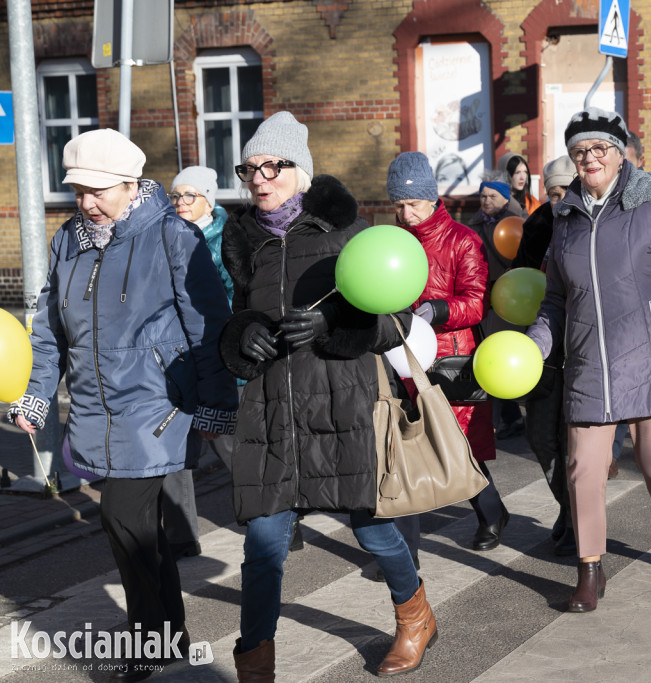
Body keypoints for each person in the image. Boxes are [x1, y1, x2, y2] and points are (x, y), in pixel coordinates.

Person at [9, 129, 238, 681]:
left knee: (122, 518)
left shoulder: (171, 235)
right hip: (95, 407)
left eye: (98, 190)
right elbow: (49, 332)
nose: (86, 202)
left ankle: (147, 642)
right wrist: (36, 396)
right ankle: (171, 636)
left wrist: (217, 401)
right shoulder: (68, 240)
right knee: (141, 531)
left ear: (130, 185)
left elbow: (208, 326)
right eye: (78, 191)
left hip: (158, 403)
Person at [217, 112, 436, 679]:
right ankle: (255, 663)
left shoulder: (349, 234)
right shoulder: (245, 244)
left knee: (373, 531)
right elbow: (237, 316)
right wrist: (244, 335)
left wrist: (331, 325)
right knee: (262, 548)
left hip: (342, 408)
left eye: (272, 166)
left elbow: (397, 321)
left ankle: (415, 616)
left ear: (302, 172)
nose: (259, 179)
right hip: (272, 415)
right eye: (249, 169)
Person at [526, 107, 651, 612]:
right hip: (588, 363)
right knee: (582, 468)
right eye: (580, 151)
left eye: (600, 148)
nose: (590, 158)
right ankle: (589, 570)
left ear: (620, 154)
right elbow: (555, 300)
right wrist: (536, 344)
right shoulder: (565, 219)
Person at [385, 151, 510, 554]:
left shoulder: (463, 240)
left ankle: (492, 512)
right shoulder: (392, 241)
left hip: (449, 359)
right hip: (401, 356)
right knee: (406, 447)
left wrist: (439, 309)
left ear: (431, 197)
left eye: (412, 204)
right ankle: (405, 551)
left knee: (457, 444)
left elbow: (477, 302)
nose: (405, 214)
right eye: (398, 205)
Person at [160, 165, 231, 561]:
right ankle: (182, 536)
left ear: (209, 199)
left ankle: (274, 519)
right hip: (177, 357)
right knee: (175, 448)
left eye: (190, 195)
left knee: (228, 445)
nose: (181, 203)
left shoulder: (225, 240)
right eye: (176, 196)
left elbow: (232, 299)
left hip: (217, 355)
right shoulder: (166, 237)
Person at [511, 153, 578, 556]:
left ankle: (576, 519)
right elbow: (518, 282)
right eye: (552, 193)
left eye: (566, 190)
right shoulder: (537, 227)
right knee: (540, 437)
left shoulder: (594, 226)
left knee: (573, 444)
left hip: (584, 349)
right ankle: (567, 505)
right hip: (543, 346)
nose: (559, 199)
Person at [468, 171, 526, 439]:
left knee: (500, 356)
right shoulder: (475, 223)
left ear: (505, 197)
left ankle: (500, 420)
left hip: (512, 298)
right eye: (483, 196)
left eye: (492, 195)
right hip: (485, 297)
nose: (486, 200)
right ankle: (510, 418)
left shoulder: (519, 221)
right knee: (490, 357)